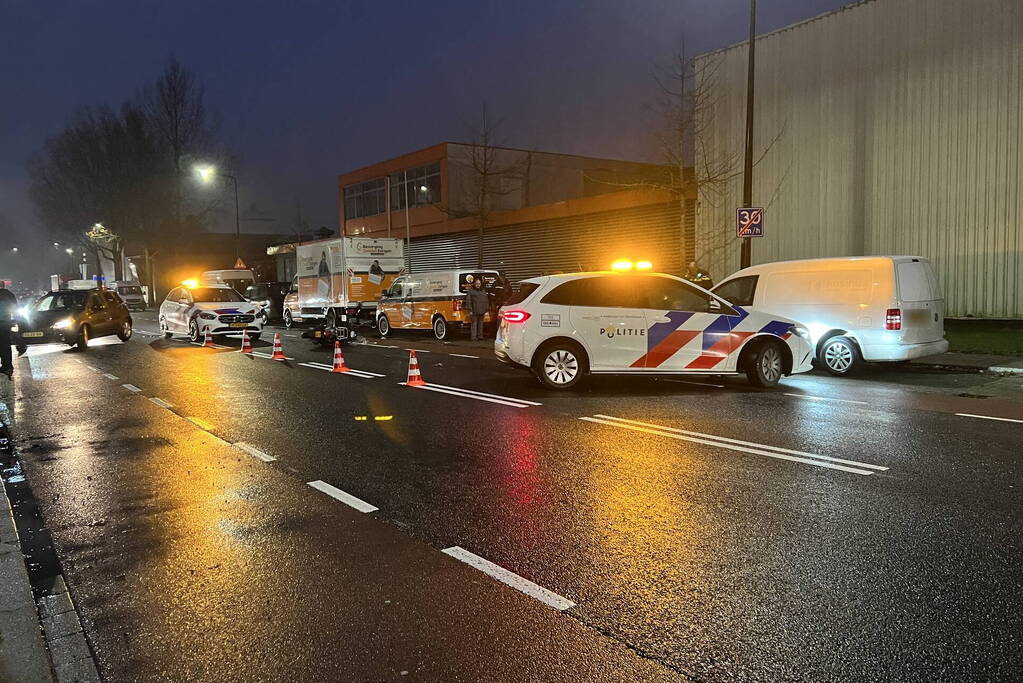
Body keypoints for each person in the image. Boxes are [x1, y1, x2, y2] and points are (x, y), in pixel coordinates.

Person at [0, 282, 17, 379]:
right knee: (6, 345)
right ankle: (7, 367)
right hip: (6, 323)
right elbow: (15, 309)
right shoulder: (10, 295)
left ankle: (5, 366)